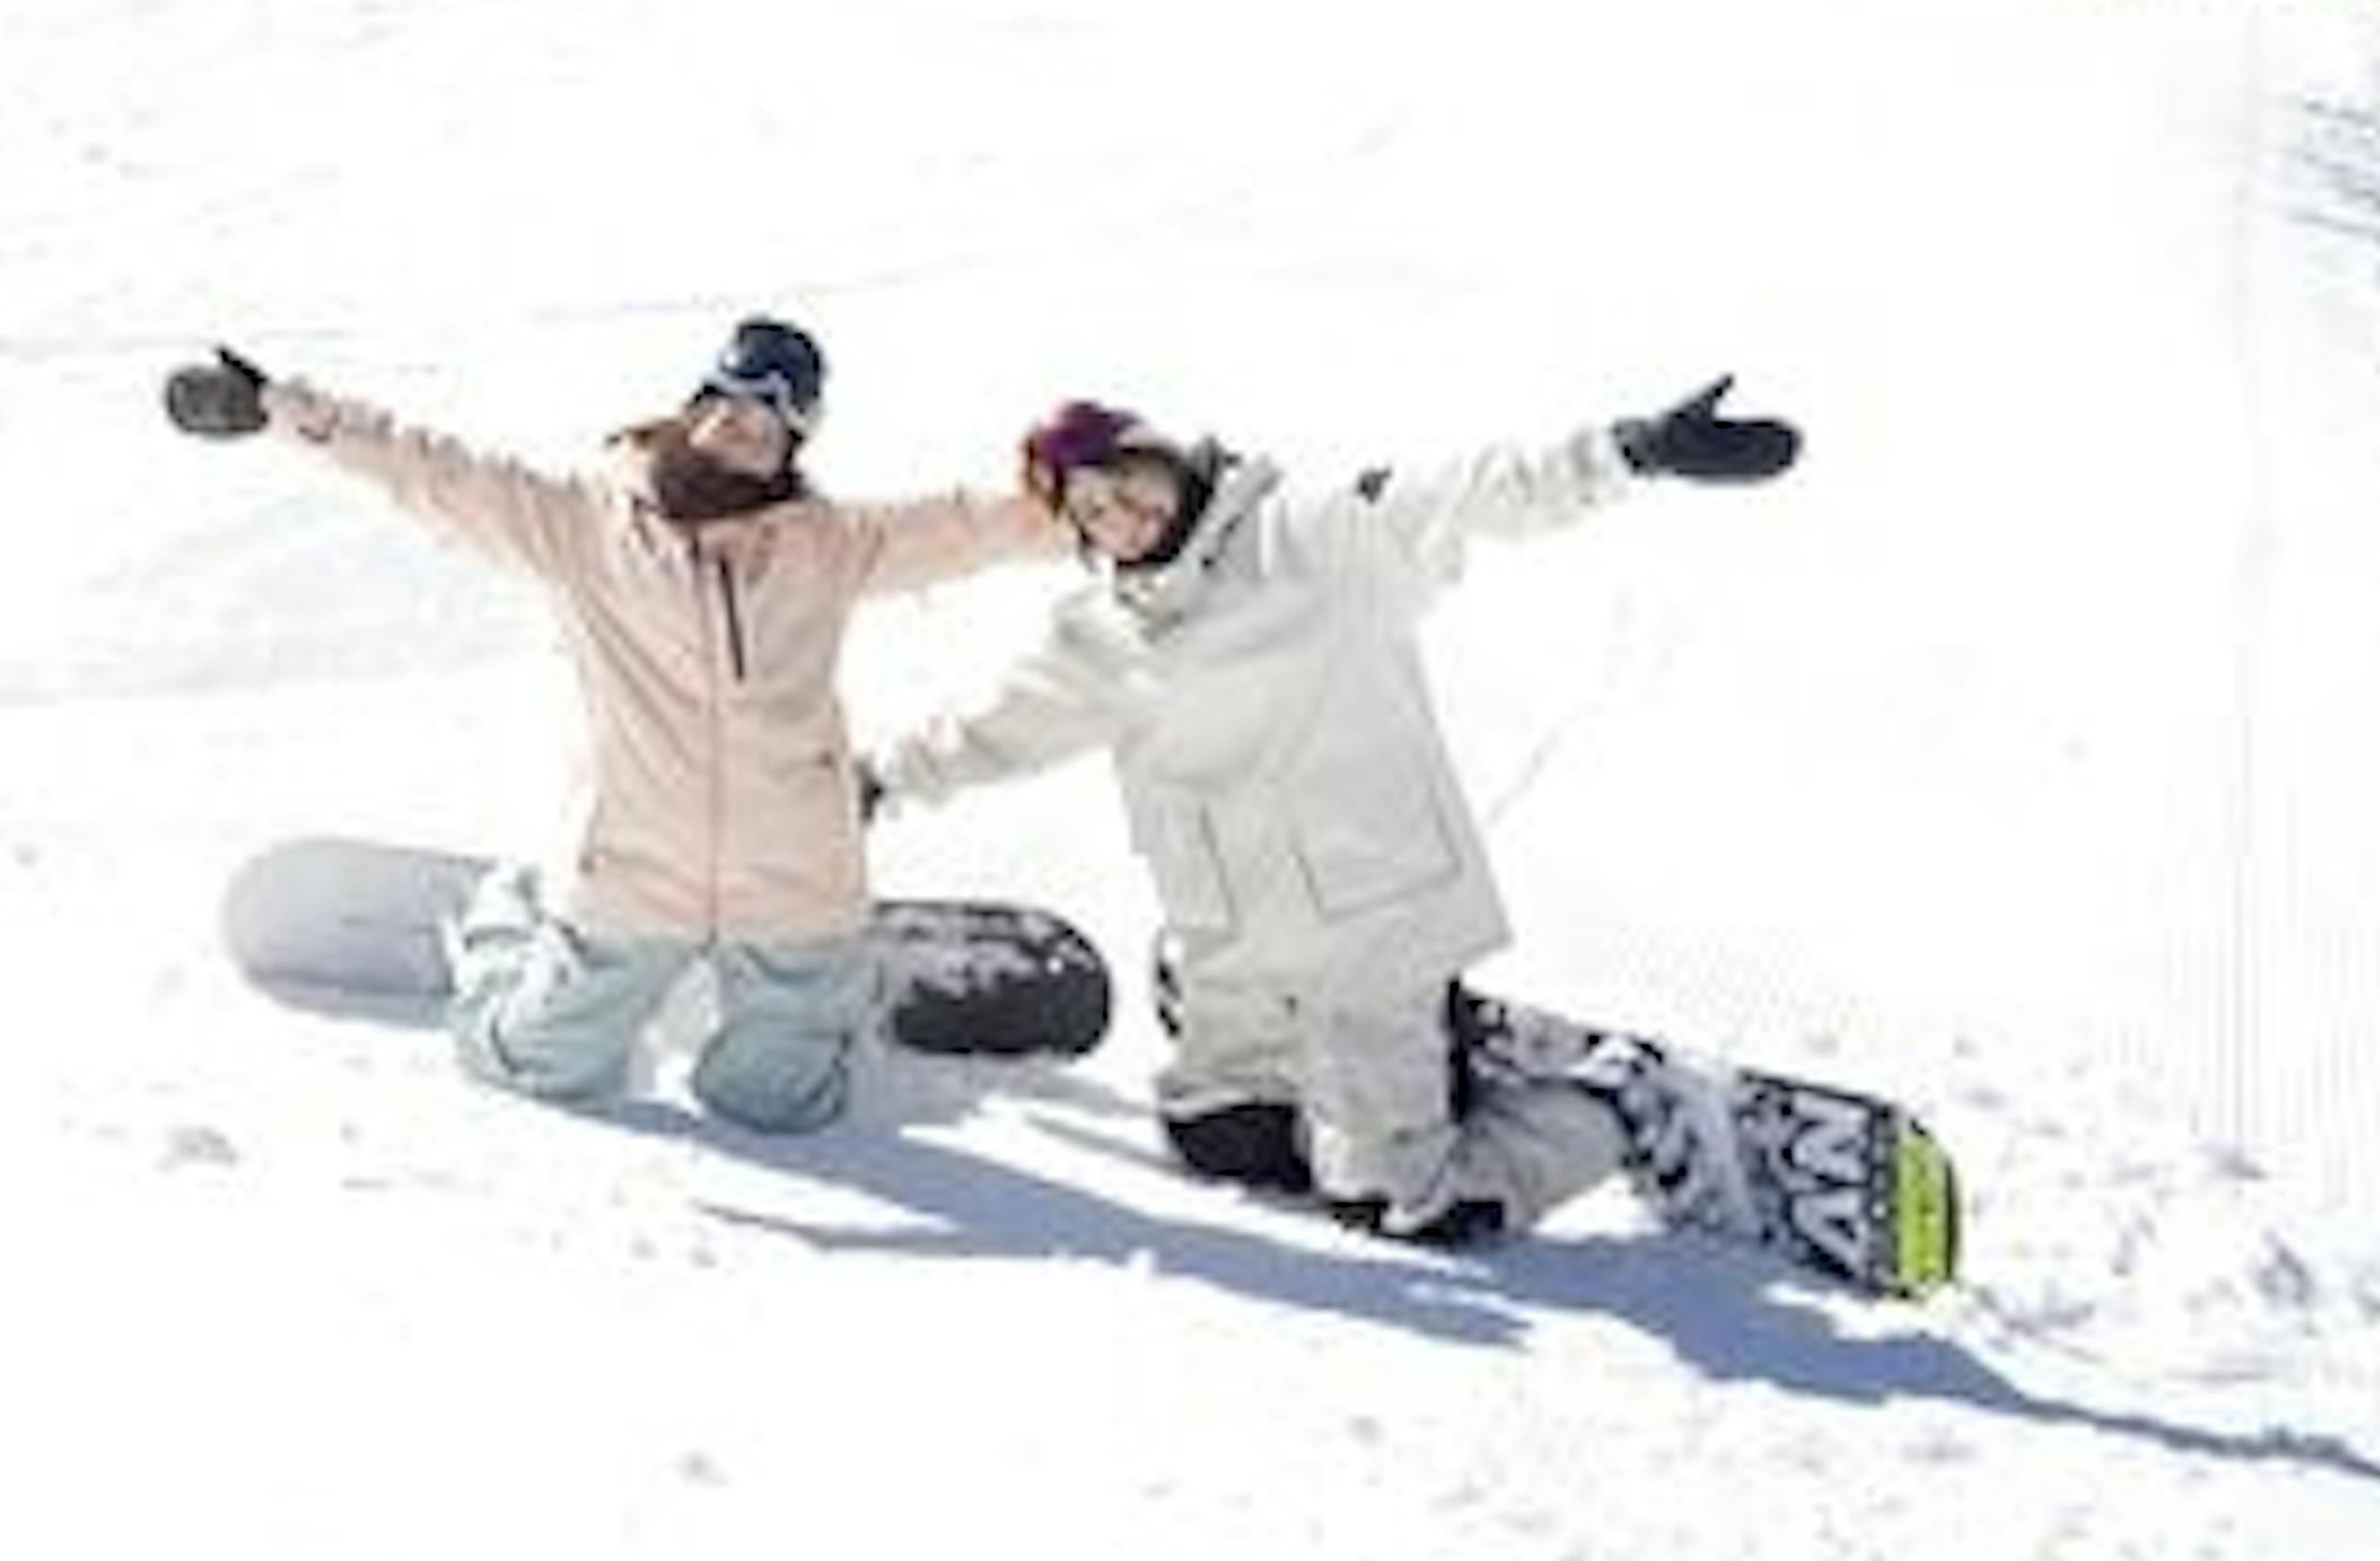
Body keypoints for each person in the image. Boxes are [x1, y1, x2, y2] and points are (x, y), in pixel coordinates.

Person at [862, 373, 1805, 1245]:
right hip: (1229, 938)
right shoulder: (1104, 636)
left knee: (1398, 1202)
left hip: (1370, 921)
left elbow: (1472, 491)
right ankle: (1390, 1068)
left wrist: (1630, 448)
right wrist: (879, 780)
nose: (1124, 515)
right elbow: (997, 727)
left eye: (1125, 479)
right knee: (1221, 1137)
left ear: (1165, 454)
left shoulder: (1308, 535)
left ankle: (1612, 1104)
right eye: (1092, 512)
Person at [163, 314, 1052, 1133]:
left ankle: (822, 993)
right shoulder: (584, 524)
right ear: (697, 406)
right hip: (638, 870)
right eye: (734, 401)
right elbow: (429, 468)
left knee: (778, 1107)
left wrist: (1103, 503)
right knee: (534, 1063)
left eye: (775, 411)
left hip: (794, 875)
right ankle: (511, 918)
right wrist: (284, 411)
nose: (748, 422)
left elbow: (976, 526)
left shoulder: (828, 543)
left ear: (799, 434)